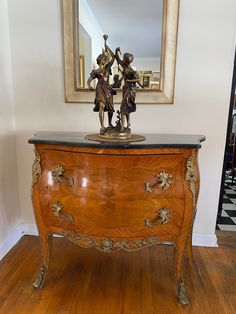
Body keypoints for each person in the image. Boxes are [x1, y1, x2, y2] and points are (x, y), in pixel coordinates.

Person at [87, 49, 116, 134]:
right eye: (103, 59)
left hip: (107, 89)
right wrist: (89, 86)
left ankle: (110, 123)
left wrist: (107, 46)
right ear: (99, 60)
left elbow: (113, 57)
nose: (105, 61)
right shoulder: (96, 71)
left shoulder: (107, 68)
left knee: (110, 108)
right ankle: (102, 126)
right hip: (100, 88)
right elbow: (89, 80)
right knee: (101, 106)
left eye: (105, 59)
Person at [115, 48, 141, 132]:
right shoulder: (124, 65)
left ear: (127, 60)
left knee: (123, 107)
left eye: (124, 58)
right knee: (126, 106)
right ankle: (128, 123)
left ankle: (122, 126)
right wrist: (116, 51)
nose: (122, 59)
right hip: (125, 88)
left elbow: (138, 79)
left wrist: (129, 80)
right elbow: (117, 59)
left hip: (130, 90)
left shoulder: (132, 71)